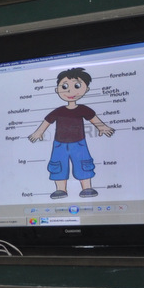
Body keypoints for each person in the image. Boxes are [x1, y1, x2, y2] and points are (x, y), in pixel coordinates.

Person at [28, 67, 114, 199]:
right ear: (57, 89)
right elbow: (47, 121)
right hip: (59, 145)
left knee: (83, 164)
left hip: (79, 144)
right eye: (65, 86)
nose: (70, 91)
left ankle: (87, 188)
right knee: (58, 165)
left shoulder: (83, 109)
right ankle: (61, 190)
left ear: (86, 89)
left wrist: (102, 127)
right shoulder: (59, 111)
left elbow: (94, 119)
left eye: (77, 86)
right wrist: (38, 132)